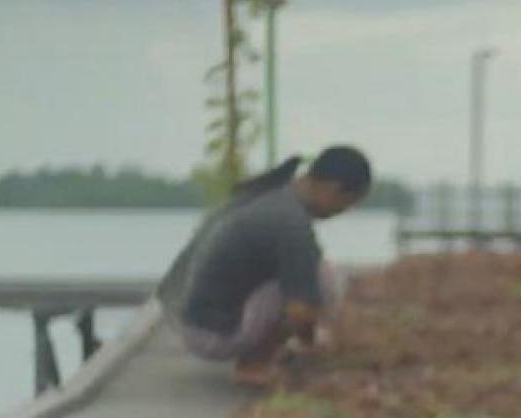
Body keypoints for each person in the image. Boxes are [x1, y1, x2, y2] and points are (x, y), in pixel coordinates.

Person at [158, 145, 372, 386]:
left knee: (312, 276)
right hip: (211, 335)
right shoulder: (291, 223)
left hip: (192, 321)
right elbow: (301, 310)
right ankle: (254, 365)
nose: (341, 212)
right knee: (320, 282)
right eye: (347, 204)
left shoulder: (271, 196)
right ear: (333, 190)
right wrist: (309, 339)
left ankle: (266, 352)